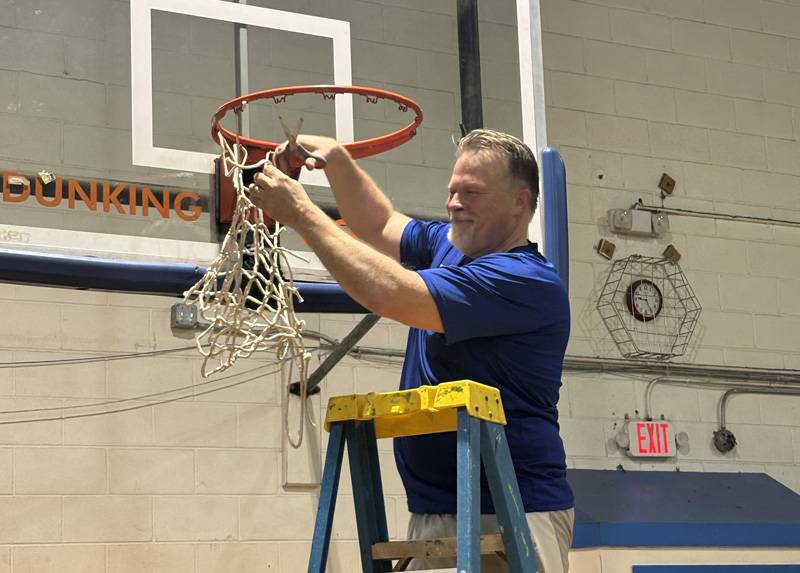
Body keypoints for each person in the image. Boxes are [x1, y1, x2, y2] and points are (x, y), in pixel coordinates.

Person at [249, 128, 574, 572]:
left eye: (473, 193)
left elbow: (392, 293)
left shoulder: (524, 280)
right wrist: (339, 162)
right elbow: (381, 223)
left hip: (514, 509)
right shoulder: (450, 246)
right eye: (453, 190)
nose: (455, 203)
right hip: (436, 507)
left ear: (520, 202)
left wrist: (303, 214)